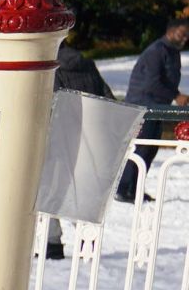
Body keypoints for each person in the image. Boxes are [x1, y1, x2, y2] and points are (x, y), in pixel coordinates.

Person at [48, 36, 116, 259]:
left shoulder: (51, 68)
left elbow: (54, 103)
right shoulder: (87, 64)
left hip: (60, 137)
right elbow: (108, 98)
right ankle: (87, 241)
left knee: (51, 189)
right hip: (90, 136)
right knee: (81, 190)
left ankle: (53, 243)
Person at [118, 16, 188, 205]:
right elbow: (152, 82)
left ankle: (136, 188)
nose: (184, 39)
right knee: (140, 148)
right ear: (170, 30)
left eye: (187, 36)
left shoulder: (172, 52)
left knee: (150, 149)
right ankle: (123, 188)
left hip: (157, 107)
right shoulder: (156, 51)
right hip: (143, 105)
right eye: (182, 34)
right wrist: (176, 95)